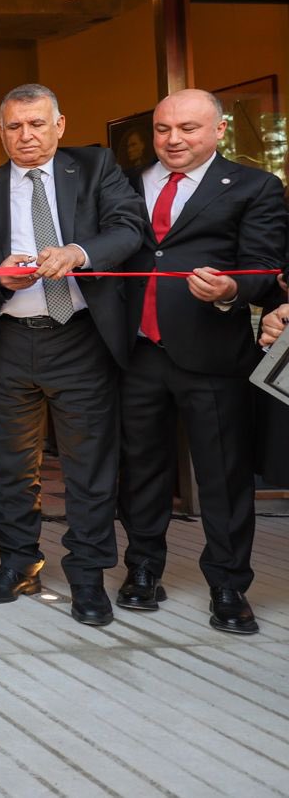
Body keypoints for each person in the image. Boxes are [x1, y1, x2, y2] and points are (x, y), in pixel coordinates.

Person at [0, 83, 143, 627]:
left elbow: (129, 227)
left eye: (37, 124)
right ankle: (19, 562)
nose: (26, 136)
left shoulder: (94, 167)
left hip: (80, 338)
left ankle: (88, 575)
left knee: (89, 467)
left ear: (59, 125)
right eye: (14, 127)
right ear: (0, 131)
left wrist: (79, 253)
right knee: (13, 467)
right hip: (9, 339)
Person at [117, 89, 285, 635]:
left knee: (223, 477)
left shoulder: (255, 185)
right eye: (164, 128)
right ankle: (142, 570)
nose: (173, 139)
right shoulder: (125, 184)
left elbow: (266, 269)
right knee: (141, 472)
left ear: (218, 130)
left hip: (212, 355)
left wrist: (232, 288)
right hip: (136, 352)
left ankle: (229, 585)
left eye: (188, 128)